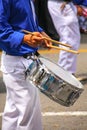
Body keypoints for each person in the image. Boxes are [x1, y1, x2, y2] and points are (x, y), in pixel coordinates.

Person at [0, 0, 52, 130]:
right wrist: (25, 38)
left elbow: (25, 20)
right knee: (29, 117)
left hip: (23, 60)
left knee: (14, 113)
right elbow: (1, 30)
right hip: (16, 61)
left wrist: (41, 34)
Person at [47, 0, 80, 75]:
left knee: (71, 39)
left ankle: (67, 72)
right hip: (62, 3)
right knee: (68, 39)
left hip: (65, 3)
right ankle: (64, 73)